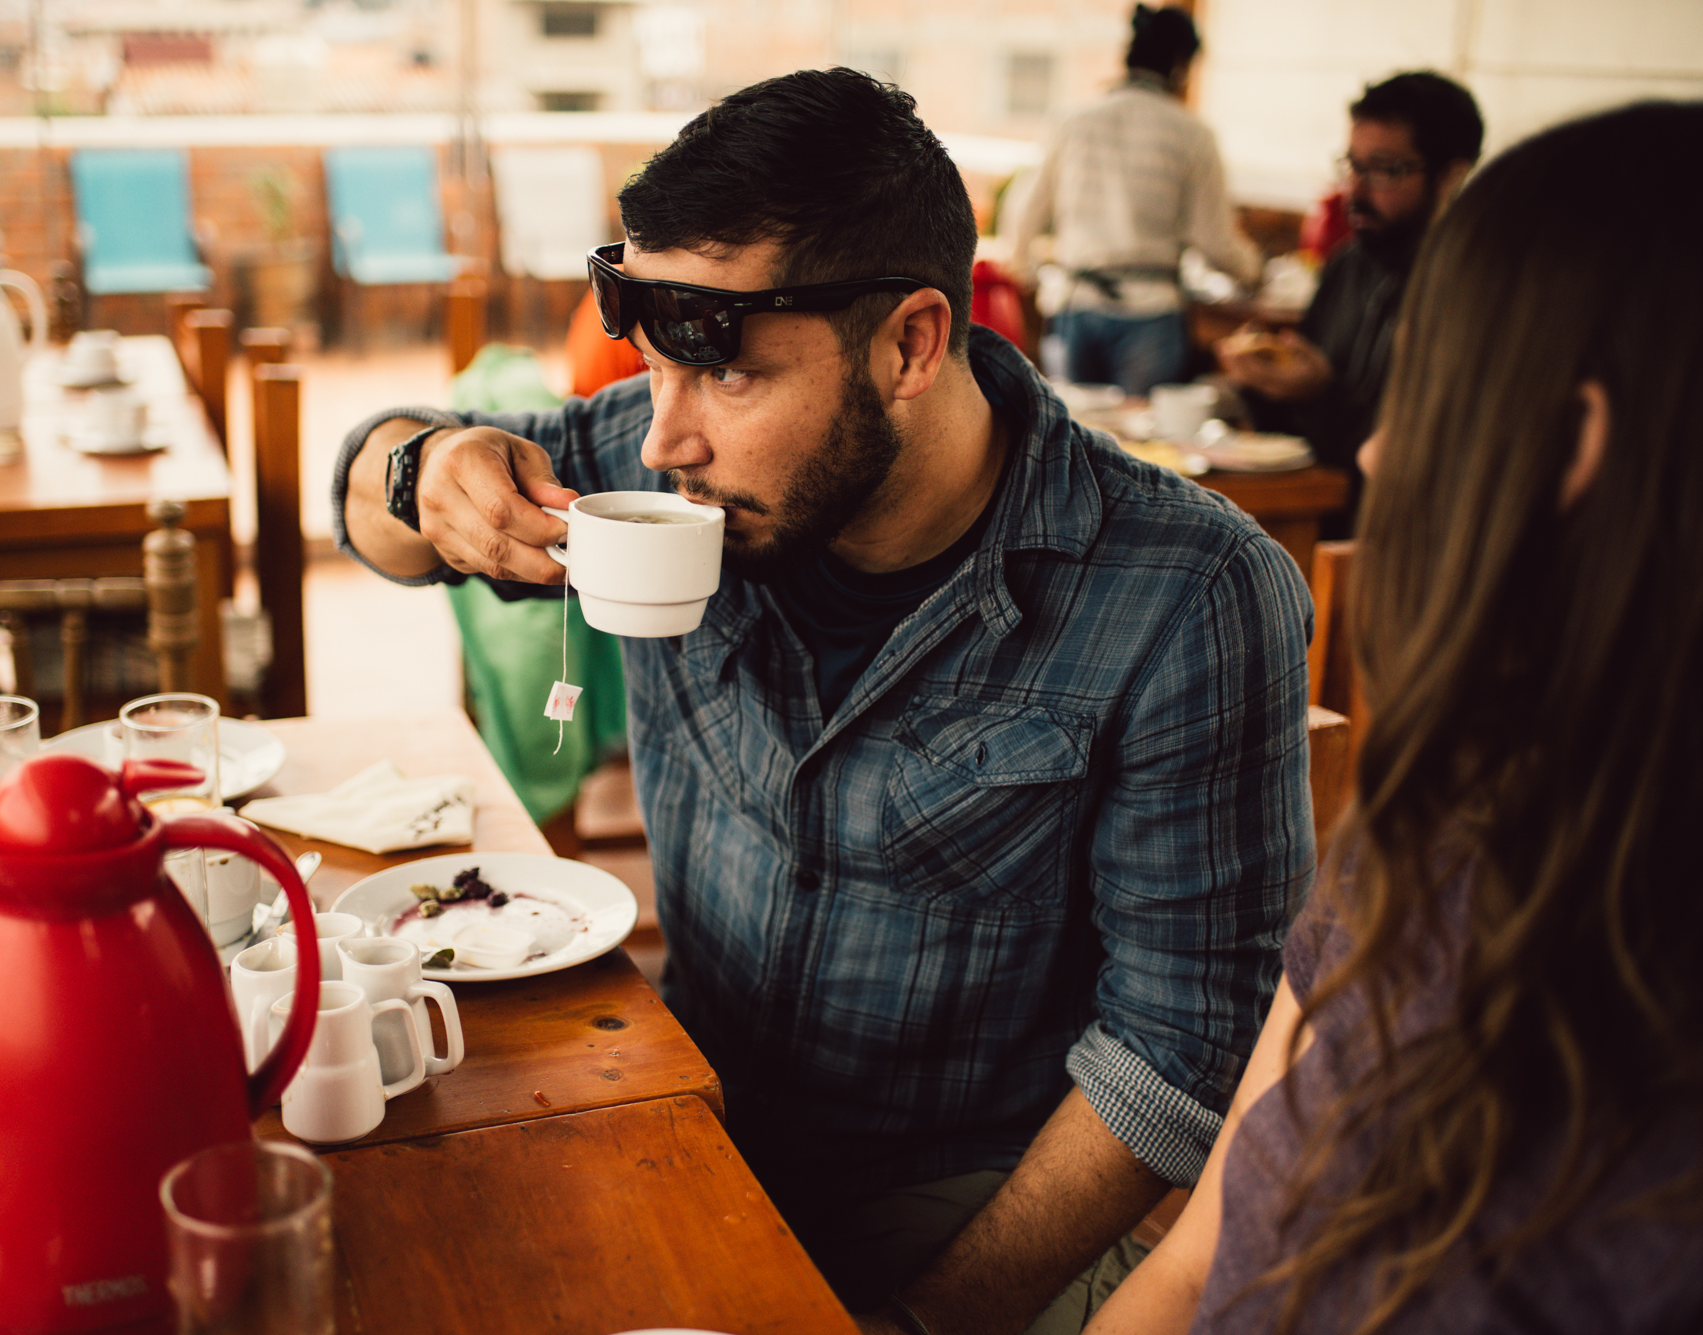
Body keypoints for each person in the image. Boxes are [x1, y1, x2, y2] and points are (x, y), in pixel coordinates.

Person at [334, 69, 1314, 1334]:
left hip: (968, 1202)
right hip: (673, 1102)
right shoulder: (668, 472)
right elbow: (365, 509)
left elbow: (1178, 1051)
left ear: (909, 341)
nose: (656, 442)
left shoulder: (1190, 594)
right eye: (651, 369)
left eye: (726, 378)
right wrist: (422, 468)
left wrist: (917, 1321)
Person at [1087, 101, 1703, 1334]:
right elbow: (1189, 1262)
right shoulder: (1437, 828)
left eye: (1423, 388)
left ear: (1565, 448)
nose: (1372, 451)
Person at [1217, 71, 1482, 535]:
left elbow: (1430, 450)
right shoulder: (1348, 264)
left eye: (1384, 170)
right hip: (1317, 517)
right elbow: (1299, 435)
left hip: (1401, 538)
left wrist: (1319, 390)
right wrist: (1261, 382)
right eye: (1353, 166)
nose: (1355, 192)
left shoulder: (1474, 289)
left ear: (1449, 177)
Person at [1005, 5, 1260, 396]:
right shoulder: (1191, 133)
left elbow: (1025, 212)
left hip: (1079, 303)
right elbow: (1215, 242)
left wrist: (1028, 274)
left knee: (1077, 438)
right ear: (1180, 64)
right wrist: (1253, 270)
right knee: (1142, 444)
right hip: (1151, 311)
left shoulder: (1075, 119)